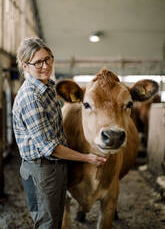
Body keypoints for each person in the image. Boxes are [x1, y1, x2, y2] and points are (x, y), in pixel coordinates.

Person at [12, 37, 106, 229]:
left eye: (48, 59)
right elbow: (51, 148)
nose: (46, 66)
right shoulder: (31, 97)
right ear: (25, 65)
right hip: (42, 169)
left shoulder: (47, 87)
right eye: (38, 62)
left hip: (54, 167)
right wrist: (87, 158)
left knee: (55, 219)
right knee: (47, 224)